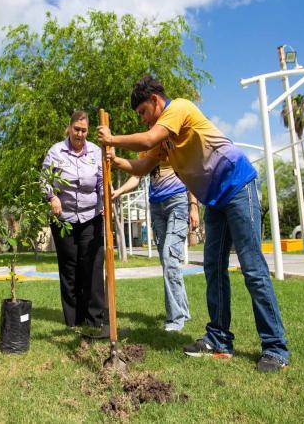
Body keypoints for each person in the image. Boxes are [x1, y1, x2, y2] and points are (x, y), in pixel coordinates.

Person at [97, 76, 289, 372]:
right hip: (215, 201)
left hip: (238, 186)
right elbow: (142, 165)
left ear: (155, 101)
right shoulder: (165, 141)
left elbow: (147, 139)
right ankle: (219, 339)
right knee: (213, 267)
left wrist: (113, 138)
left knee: (252, 268)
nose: (145, 120)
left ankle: (275, 348)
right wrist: (114, 157)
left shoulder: (179, 109)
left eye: (144, 113)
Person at [111, 156, 199, 332]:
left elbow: (190, 172)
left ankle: (176, 319)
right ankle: (183, 311)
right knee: (168, 262)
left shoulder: (172, 137)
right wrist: (118, 191)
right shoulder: (147, 147)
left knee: (170, 259)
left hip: (177, 201)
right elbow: (137, 176)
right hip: (156, 207)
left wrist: (194, 205)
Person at [42, 111, 105, 328]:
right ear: (69, 128)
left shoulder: (96, 152)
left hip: (91, 217)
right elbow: (45, 181)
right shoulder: (56, 151)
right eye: (76, 129)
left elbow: (101, 182)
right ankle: (74, 321)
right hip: (64, 219)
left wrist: (106, 197)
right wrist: (52, 197)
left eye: (84, 130)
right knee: (69, 269)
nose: (80, 134)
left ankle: (95, 320)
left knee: (93, 268)